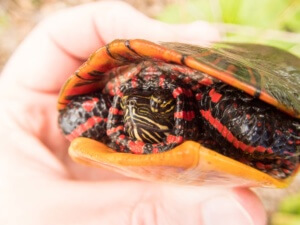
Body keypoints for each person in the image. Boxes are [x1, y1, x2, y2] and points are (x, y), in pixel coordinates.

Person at [0, 1, 266, 224]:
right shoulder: (108, 113)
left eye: (152, 105)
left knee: (245, 122)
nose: (132, 111)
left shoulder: (206, 102)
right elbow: (70, 119)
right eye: (126, 105)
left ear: (174, 105)